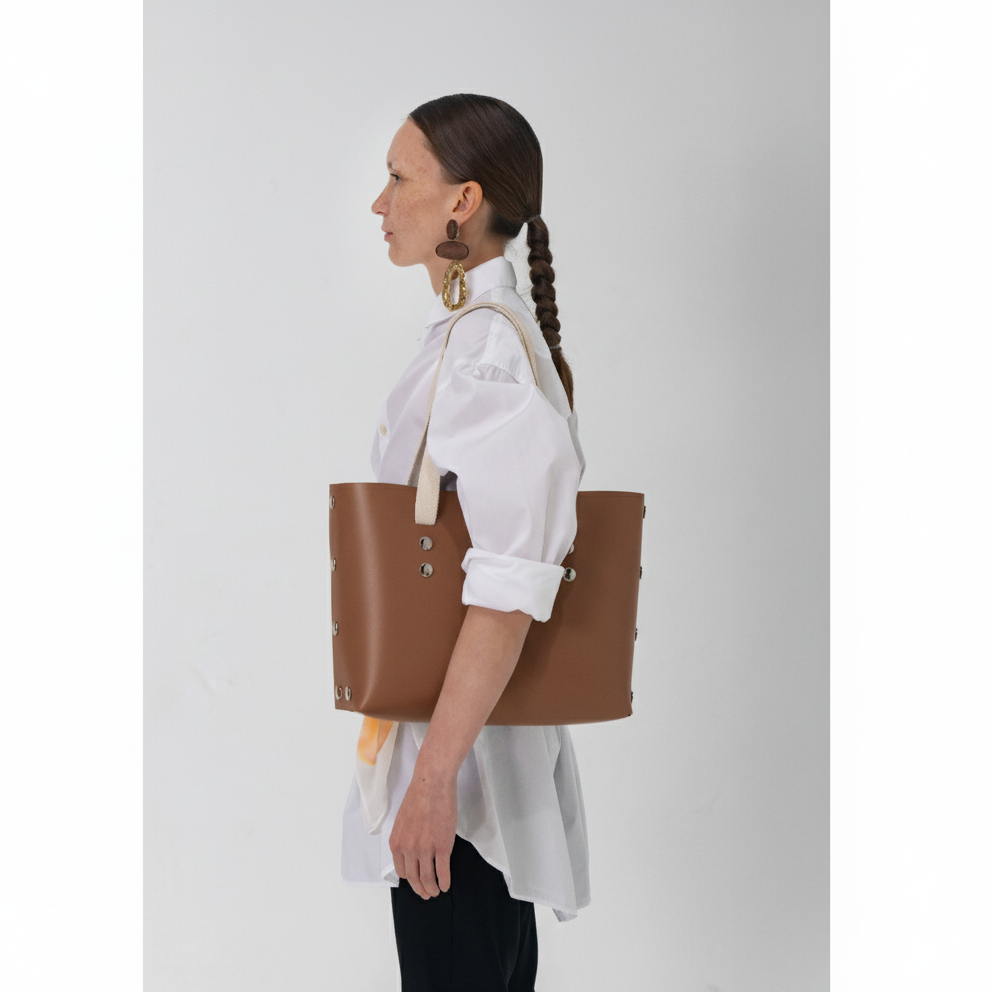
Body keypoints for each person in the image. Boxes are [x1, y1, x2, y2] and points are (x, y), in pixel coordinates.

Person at [341, 94, 588, 991]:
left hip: (465, 787)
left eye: (400, 177)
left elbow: (509, 586)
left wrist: (434, 781)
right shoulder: (469, 338)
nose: (380, 202)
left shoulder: (484, 353)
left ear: (462, 200)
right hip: (465, 767)